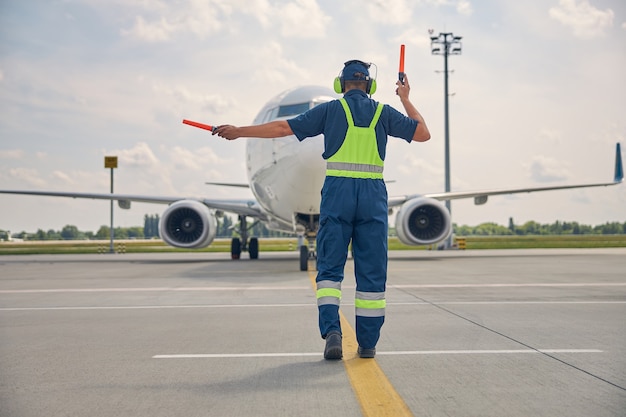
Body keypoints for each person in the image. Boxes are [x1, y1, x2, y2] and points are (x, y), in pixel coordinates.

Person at [213, 60, 430, 360]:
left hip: (338, 193)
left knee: (329, 270)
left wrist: (239, 131)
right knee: (372, 272)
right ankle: (367, 344)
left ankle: (332, 333)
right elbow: (422, 134)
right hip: (372, 197)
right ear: (371, 86)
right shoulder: (383, 112)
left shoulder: (331, 110)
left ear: (340, 85)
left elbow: (281, 128)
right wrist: (405, 98)